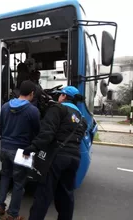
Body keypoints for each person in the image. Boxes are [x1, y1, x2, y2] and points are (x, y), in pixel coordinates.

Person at [24, 86, 87, 220]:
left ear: (63, 96)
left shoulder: (58, 109)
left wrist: (32, 147)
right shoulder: (82, 119)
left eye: (60, 95)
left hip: (56, 158)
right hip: (74, 159)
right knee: (66, 195)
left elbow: (47, 133)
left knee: (43, 195)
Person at [0, 80, 41, 220]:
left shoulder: (5, 106)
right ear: (32, 93)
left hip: (5, 147)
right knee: (19, 182)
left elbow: (1, 127)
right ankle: (13, 214)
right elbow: (37, 132)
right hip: (22, 151)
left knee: (5, 176)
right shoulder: (33, 110)